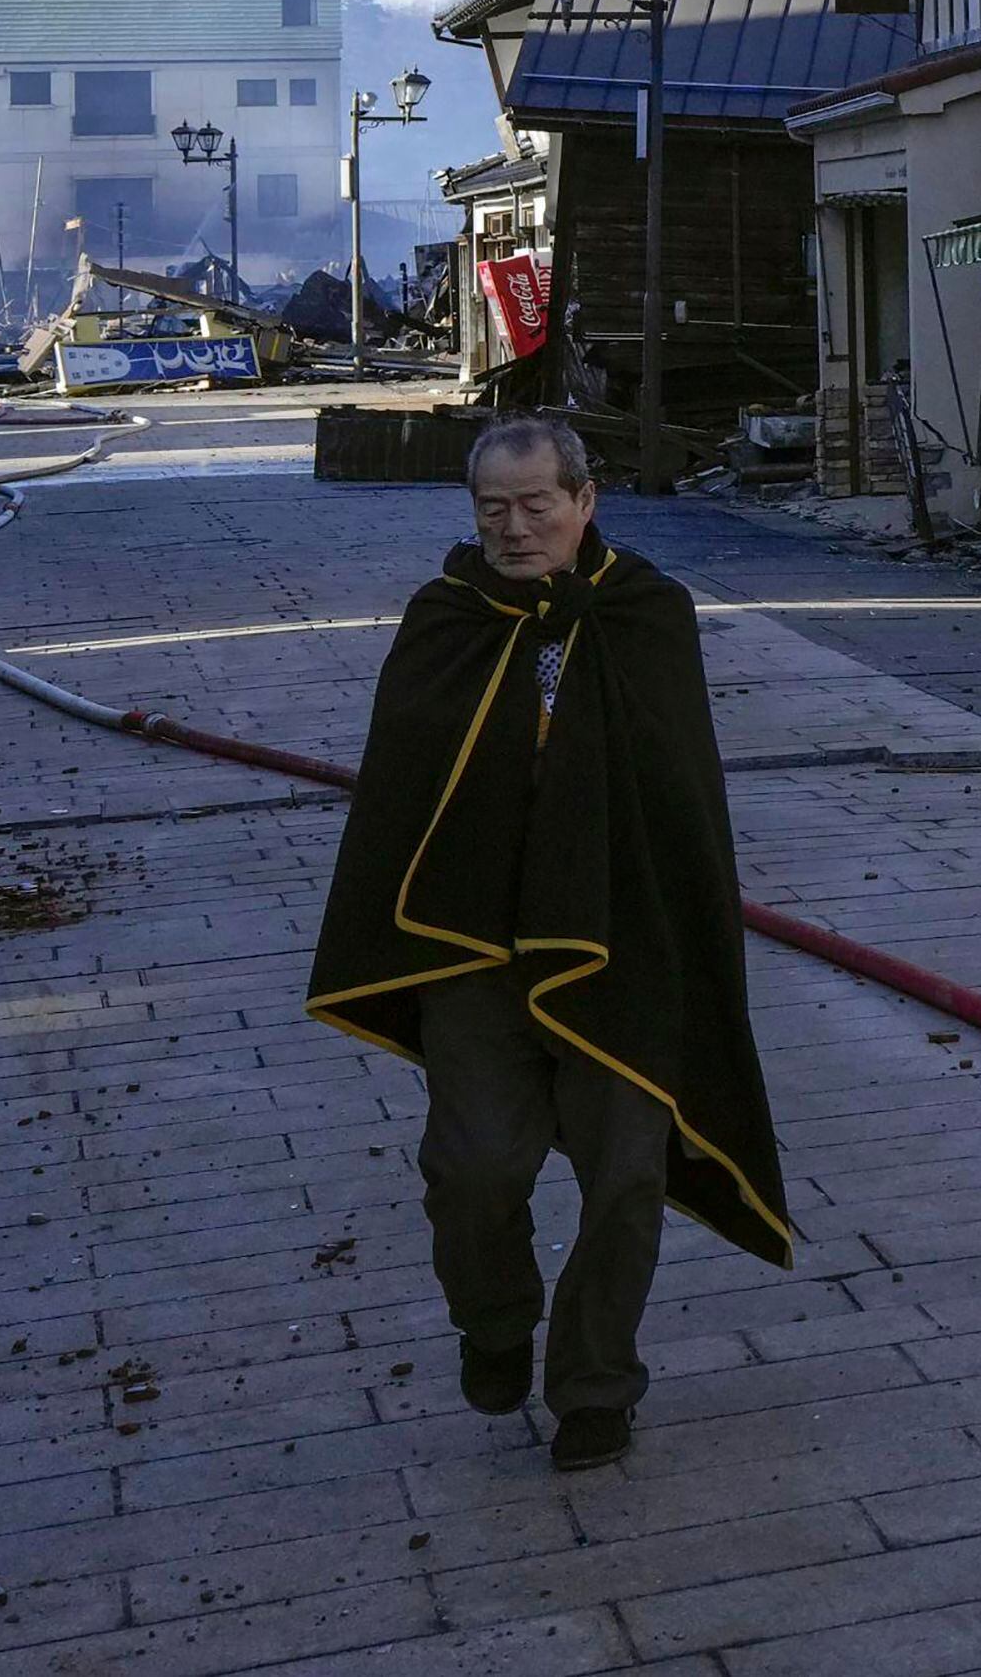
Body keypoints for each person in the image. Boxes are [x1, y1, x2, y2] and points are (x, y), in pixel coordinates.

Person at [305, 416, 789, 1468]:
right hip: (475, 950)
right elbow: (401, 791)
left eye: (536, 507)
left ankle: (595, 1389)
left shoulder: (647, 615)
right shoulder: (446, 619)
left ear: (584, 502)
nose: (515, 529)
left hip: (621, 946)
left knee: (626, 1176)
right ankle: (494, 1321)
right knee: (473, 1166)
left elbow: (678, 796)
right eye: (493, 510)